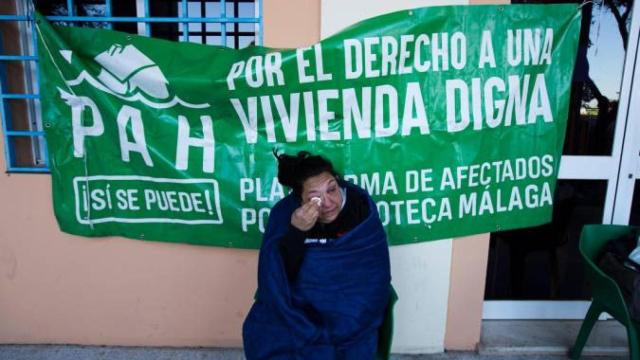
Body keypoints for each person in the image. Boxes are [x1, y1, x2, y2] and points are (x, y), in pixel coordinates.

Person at [243, 150, 391, 360]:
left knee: (352, 340)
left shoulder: (360, 208)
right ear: (300, 199)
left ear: (338, 182)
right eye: (316, 198)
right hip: (300, 305)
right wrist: (296, 232)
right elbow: (276, 274)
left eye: (332, 189)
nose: (329, 202)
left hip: (353, 304)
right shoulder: (285, 214)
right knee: (266, 331)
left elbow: (374, 273)